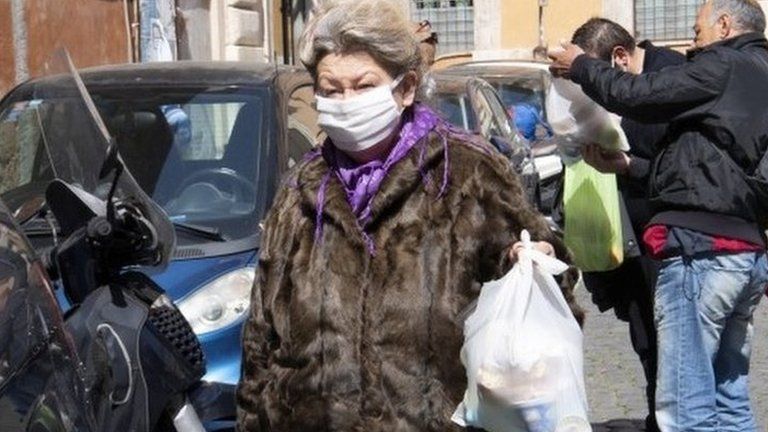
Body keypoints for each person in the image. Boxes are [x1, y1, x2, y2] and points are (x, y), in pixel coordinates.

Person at [236, 0, 583, 430]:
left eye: (362, 86)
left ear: (405, 88)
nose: (345, 102)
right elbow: (260, 338)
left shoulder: (468, 173)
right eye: (330, 90)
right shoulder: (302, 189)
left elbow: (553, 294)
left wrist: (533, 263)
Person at [550, 1, 768, 431]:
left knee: (686, 409)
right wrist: (630, 168)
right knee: (729, 400)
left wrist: (579, 66)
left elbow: (640, 95)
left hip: (700, 253)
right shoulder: (758, 75)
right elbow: (714, 172)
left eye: (698, 28)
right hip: (743, 251)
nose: (692, 40)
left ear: (724, 25)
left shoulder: (724, 64)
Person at [569, 18, 685, 432]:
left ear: (619, 57)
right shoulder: (633, 83)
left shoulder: (669, 79)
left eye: (595, 77)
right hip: (633, 241)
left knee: (674, 346)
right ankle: (660, 420)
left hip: (671, 243)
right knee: (647, 340)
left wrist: (627, 164)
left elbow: (681, 170)